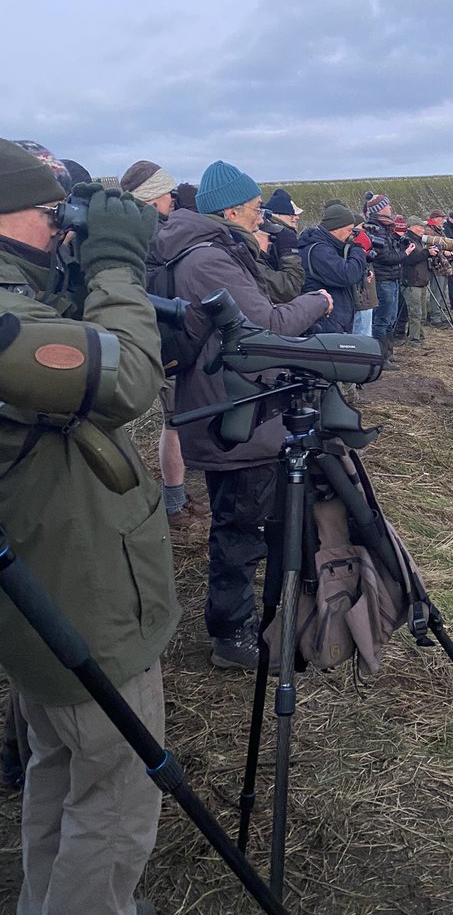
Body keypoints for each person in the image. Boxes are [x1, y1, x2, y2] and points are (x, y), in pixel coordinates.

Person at [0, 139, 180, 915]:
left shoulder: (21, 300)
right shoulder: (7, 327)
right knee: (112, 798)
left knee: (57, 767)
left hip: (40, 600)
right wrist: (115, 263)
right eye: (48, 216)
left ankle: (46, 914)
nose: (58, 229)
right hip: (82, 603)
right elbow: (128, 379)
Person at [155, 160, 333, 669]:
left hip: (230, 402)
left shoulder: (198, 251)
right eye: (256, 209)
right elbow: (267, 328)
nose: (262, 217)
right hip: (238, 410)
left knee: (244, 517)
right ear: (231, 210)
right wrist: (316, 304)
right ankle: (233, 634)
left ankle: (252, 617)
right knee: (240, 526)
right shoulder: (208, 260)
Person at [121, 160, 201, 532]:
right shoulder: (156, 237)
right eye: (167, 194)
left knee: (176, 423)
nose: (173, 199)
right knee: (175, 424)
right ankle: (173, 503)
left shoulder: (128, 234)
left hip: (153, 340)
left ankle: (174, 498)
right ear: (152, 199)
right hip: (165, 341)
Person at [297, 202, 368, 334]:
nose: (351, 234)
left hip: (334, 320)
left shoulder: (330, 247)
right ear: (335, 228)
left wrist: (362, 271)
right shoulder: (319, 250)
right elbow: (347, 275)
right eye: (349, 230)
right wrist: (359, 248)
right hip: (325, 323)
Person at [363, 193, 404, 367]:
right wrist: (404, 254)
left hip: (392, 278)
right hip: (383, 279)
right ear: (380, 209)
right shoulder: (375, 229)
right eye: (387, 205)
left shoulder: (387, 228)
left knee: (391, 318)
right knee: (382, 319)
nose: (390, 208)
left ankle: (388, 352)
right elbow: (385, 257)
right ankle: (380, 357)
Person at [400, 217, 438, 349]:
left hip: (421, 281)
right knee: (415, 314)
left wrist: (429, 255)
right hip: (412, 282)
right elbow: (409, 259)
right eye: (420, 227)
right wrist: (427, 253)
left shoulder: (419, 241)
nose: (423, 229)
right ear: (412, 227)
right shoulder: (407, 240)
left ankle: (420, 339)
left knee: (421, 314)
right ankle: (414, 341)